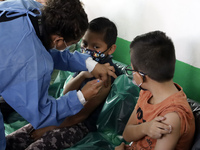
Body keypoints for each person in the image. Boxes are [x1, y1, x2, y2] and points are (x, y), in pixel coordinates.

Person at [0, 0, 117, 149]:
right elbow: (47, 110)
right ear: (58, 40)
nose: (87, 50)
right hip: (59, 116)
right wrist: (82, 90)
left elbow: (80, 116)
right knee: (11, 141)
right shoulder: (30, 63)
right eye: (84, 44)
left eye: (96, 47)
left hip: (75, 123)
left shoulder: (32, 11)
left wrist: (48, 127)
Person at [115, 31, 195, 150]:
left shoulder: (171, 117)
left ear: (141, 75)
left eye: (132, 70)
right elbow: (127, 134)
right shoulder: (147, 93)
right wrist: (145, 128)